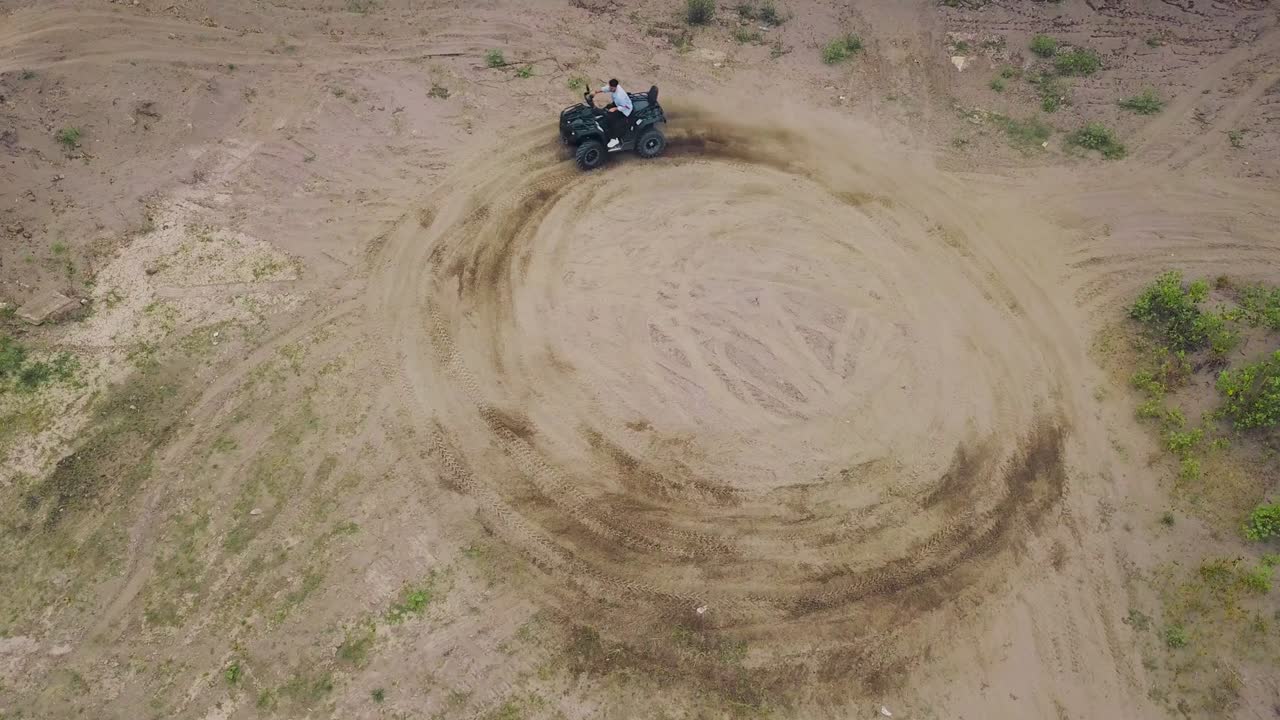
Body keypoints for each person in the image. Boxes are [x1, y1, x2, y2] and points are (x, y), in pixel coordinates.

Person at [593, 78, 632, 148]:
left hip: (624, 110)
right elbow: (607, 88)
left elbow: (626, 107)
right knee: (607, 108)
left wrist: (615, 109)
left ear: (616, 87)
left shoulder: (620, 96)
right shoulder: (613, 88)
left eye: (612, 88)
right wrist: (597, 91)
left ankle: (614, 139)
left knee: (613, 120)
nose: (610, 89)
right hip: (618, 104)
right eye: (610, 87)